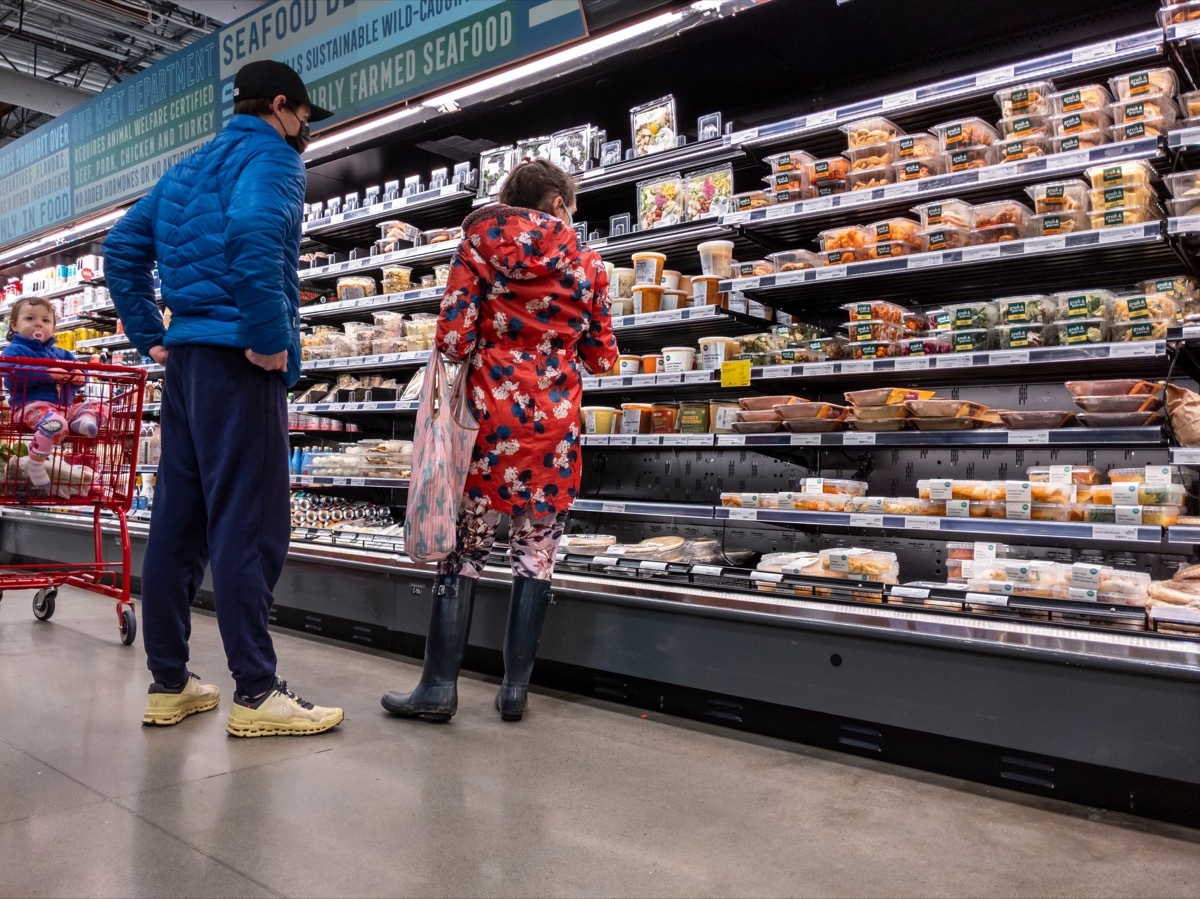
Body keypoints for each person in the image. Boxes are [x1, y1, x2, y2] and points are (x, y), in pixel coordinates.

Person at [104, 60, 343, 737]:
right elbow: (251, 232)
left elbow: (121, 248)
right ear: (278, 106)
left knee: (179, 522)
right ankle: (258, 692)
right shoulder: (272, 158)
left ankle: (169, 683)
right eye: (302, 117)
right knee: (250, 523)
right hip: (239, 363)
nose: (304, 131)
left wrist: (154, 334)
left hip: (186, 365)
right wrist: (269, 335)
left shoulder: (186, 169)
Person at [382, 158, 619, 724]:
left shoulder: (476, 248)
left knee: (464, 553)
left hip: (489, 426)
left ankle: (439, 688)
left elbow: (452, 338)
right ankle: (514, 691)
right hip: (555, 432)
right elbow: (602, 358)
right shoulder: (589, 264)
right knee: (536, 557)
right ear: (558, 203)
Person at [2, 297, 105, 495]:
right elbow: (12, 372)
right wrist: (46, 373)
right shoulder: (15, 350)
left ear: (53, 327)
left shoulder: (62, 353)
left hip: (63, 408)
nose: (38, 323)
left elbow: (82, 371)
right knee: (55, 424)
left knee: (100, 405)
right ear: (14, 325)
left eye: (45, 320)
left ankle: (83, 420)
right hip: (30, 406)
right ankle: (36, 462)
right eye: (30, 318)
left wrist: (79, 376)